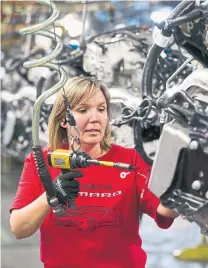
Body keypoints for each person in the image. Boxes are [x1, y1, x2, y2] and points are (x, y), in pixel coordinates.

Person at [9, 76, 179, 268]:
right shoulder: (42, 161)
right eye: (83, 110)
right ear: (64, 119)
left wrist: (186, 179)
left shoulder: (130, 160)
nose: (95, 118)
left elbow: (165, 210)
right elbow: (19, 228)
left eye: (101, 109)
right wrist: (51, 196)